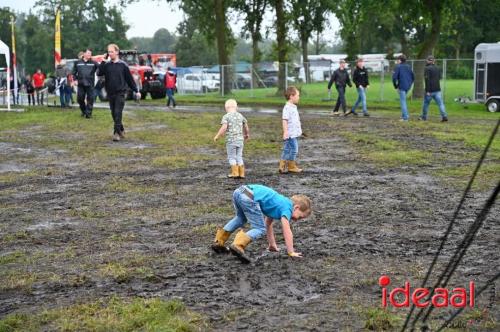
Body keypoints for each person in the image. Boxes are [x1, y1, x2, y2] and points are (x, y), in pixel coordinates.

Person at [211, 184, 312, 263]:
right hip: (249, 196)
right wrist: (291, 251)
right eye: (300, 217)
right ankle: (237, 245)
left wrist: (272, 244)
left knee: (241, 218)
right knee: (260, 228)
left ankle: (218, 241)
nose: (297, 220)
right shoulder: (287, 208)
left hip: (240, 191)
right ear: (296, 208)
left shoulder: (278, 204)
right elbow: (287, 230)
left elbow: (268, 223)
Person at [98, 43, 141, 142]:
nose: (110, 54)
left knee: (118, 112)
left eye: (112, 52)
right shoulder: (107, 65)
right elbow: (99, 73)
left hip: (120, 93)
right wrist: (103, 62)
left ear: (117, 52)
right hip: (110, 93)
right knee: (114, 113)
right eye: (109, 52)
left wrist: (136, 91)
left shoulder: (123, 65)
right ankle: (120, 129)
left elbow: (130, 80)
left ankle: (116, 133)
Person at [213, 99, 250, 178]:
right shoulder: (240, 115)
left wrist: (217, 135)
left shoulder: (226, 116)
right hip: (240, 141)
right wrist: (246, 134)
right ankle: (242, 173)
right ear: (236, 107)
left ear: (226, 108)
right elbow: (246, 126)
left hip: (231, 141)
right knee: (239, 156)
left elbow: (224, 127)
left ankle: (235, 173)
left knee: (232, 157)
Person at [279, 86, 303, 174]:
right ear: (291, 96)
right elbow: (285, 120)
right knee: (293, 149)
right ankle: (290, 166)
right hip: (289, 134)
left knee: (288, 149)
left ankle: (284, 166)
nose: (299, 97)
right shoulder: (287, 107)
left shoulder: (293, 107)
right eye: (298, 95)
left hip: (293, 133)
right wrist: (285, 132)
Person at [419, 55, 448, 122]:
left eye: (427, 60)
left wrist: (428, 91)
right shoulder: (438, 68)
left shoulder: (427, 68)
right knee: (440, 104)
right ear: (434, 61)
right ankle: (444, 116)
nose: (426, 61)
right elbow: (440, 78)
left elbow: (427, 80)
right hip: (437, 89)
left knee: (426, 104)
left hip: (430, 90)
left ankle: (424, 117)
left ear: (429, 61)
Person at [73, 48, 99, 118]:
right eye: (88, 53)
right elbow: (74, 72)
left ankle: (88, 114)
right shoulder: (78, 63)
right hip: (81, 84)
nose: (89, 55)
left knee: (90, 99)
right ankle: (84, 111)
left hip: (90, 84)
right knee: (80, 99)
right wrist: (75, 80)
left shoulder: (94, 63)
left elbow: (100, 68)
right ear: (84, 54)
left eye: (90, 54)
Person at [392, 54, 415, 121]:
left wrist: (396, 86)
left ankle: (405, 117)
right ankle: (403, 115)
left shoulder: (398, 67)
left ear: (400, 60)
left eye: (397, 60)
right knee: (403, 101)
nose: (397, 61)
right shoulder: (409, 66)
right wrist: (409, 85)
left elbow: (394, 78)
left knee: (403, 102)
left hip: (401, 87)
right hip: (408, 86)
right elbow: (413, 77)